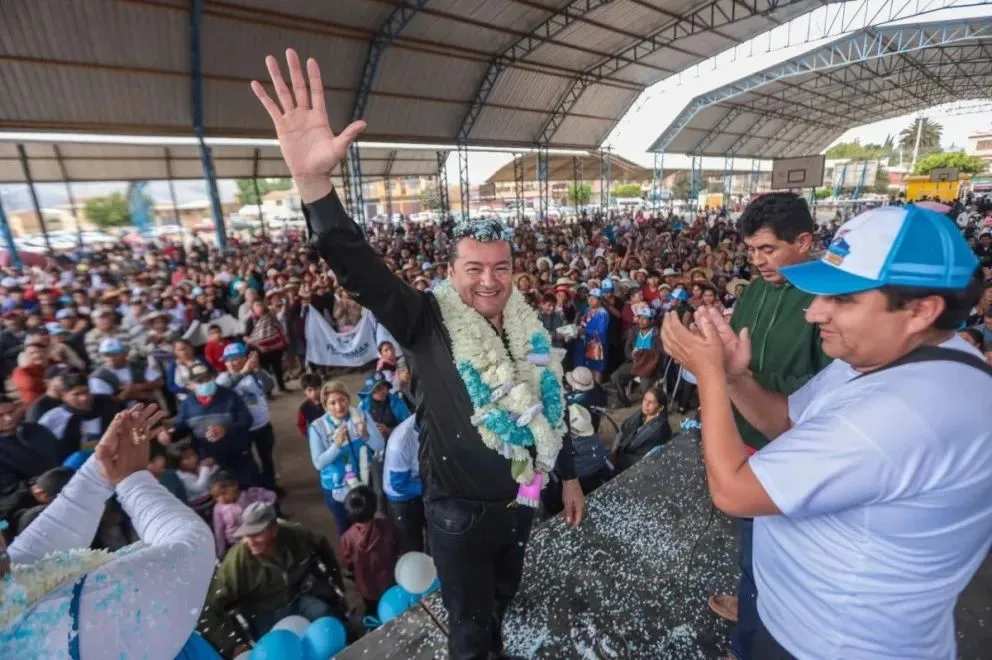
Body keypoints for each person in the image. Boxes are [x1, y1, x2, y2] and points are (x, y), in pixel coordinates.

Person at [251, 50, 583, 659]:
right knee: (467, 626)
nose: (488, 280)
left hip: (524, 500)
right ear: (449, 272)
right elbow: (357, 265)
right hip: (457, 514)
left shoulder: (528, 328)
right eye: (473, 268)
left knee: (507, 595)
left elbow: (548, 413)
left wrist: (565, 478)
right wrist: (313, 184)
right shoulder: (425, 319)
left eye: (500, 268)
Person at [661, 205, 991, 659]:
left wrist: (711, 377)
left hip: (827, 642)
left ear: (919, 310)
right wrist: (737, 378)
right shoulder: (906, 352)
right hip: (806, 618)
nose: (815, 314)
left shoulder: (904, 414)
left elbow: (734, 491)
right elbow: (788, 420)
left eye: (843, 299)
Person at [706, 193, 832, 654]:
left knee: (777, 547)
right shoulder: (757, 288)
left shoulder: (828, 298)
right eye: (751, 250)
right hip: (746, 440)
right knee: (753, 542)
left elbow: (822, 388)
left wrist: (742, 378)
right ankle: (752, 599)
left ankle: (754, 631)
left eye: (768, 250)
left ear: (803, 241)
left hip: (792, 446)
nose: (757, 261)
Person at [1, 405, 216, 659]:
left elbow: (33, 552)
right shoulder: (80, 619)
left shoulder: (8, 596)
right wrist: (134, 481)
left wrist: (99, 472)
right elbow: (192, 548)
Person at [198, 501, 347, 657]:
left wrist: (337, 587)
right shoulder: (235, 563)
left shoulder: (296, 536)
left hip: (296, 599)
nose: (250, 541)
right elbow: (209, 608)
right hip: (263, 615)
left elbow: (322, 547)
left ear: (274, 529)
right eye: (246, 535)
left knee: (327, 615)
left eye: (256, 533)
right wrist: (233, 645)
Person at [308, 380, 385, 537]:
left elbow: (378, 446)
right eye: (332, 403)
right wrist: (336, 445)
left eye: (342, 400)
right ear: (325, 406)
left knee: (367, 525)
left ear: (348, 399)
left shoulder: (361, 416)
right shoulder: (318, 427)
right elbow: (319, 463)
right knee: (345, 529)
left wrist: (365, 435)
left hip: (363, 482)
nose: (339, 406)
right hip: (337, 488)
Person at [161, 364, 258, 488]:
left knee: (248, 488)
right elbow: (182, 428)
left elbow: (246, 420)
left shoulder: (230, 396)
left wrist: (226, 429)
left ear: (213, 378)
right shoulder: (187, 404)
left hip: (237, 455)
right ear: (190, 385)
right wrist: (170, 436)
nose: (204, 383)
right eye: (199, 381)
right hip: (208, 461)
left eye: (207, 379)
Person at [216, 342, 279, 491]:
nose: (230, 363)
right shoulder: (223, 379)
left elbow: (269, 386)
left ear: (245, 358)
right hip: (241, 429)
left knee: (267, 459)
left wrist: (257, 369)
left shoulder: (255, 374)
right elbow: (223, 390)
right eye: (227, 360)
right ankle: (256, 490)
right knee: (247, 462)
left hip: (262, 425)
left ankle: (271, 487)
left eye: (235, 358)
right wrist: (244, 371)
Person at [337, 485, 403, 613]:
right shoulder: (388, 527)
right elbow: (399, 547)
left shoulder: (347, 538)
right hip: (390, 582)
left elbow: (347, 564)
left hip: (366, 588)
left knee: (372, 611)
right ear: (374, 508)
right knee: (393, 610)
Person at [39, 370, 121, 464]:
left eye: (86, 392)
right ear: (63, 396)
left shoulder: (106, 404)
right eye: (76, 394)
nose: (84, 398)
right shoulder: (52, 418)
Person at [209, 468, 277, 558]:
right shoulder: (218, 508)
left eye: (224, 493)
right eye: (217, 496)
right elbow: (219, 532)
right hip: (235, 543)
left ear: (235, 485)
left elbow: (272, 495)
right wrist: (220, 554)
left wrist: (264, 508)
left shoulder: (252, 495)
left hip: (257, 536)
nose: (221, 499)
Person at [383, 415, 425, 553]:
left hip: (420, 484)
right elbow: (399, 485)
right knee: (411, 544)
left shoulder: (432, 423)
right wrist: (430, 489)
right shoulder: (400, 443)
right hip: (402, 500)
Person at [612, 386, 672, 473]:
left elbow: (632, 447)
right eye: (645, 400)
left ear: (661, 408)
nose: (645, 404)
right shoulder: (642, 414)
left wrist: (617, 451)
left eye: (651, 402)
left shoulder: (658, 428)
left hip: (641, 463)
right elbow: (625, 428)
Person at [610, 308, 662, 407]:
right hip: (635, 362)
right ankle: (623, 401)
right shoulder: (634, 331)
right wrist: (632, 354)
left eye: (645, 319)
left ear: (651, 321)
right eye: (639, 318)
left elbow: (660, 354)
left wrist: (645, 354)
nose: (641, 321)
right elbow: (627, 348)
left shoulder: (656, 334)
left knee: (645, 387)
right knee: (615, 376)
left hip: (648, 366)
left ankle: (650, 408)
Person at [358, 370, 412, 440]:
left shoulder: (397, 402)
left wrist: (389, 430)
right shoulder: (363, 407)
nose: (383, 391)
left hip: (398, 442)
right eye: (378, 388)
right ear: (370, 391)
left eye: (384, 386)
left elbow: (408, 428)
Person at [564, 366, 608, 432]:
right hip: (594, 418)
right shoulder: (595, 386)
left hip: (583, 426)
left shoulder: (580, 399)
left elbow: (567, 401)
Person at [297, 372, 326, 438]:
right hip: (316, 436)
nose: (314, 393)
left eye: (316, 389)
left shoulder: (328, 401)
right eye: (310, 390)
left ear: (321, 388)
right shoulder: (303, 408)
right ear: (305, 392)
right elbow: (301, 424)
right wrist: (309, 434)